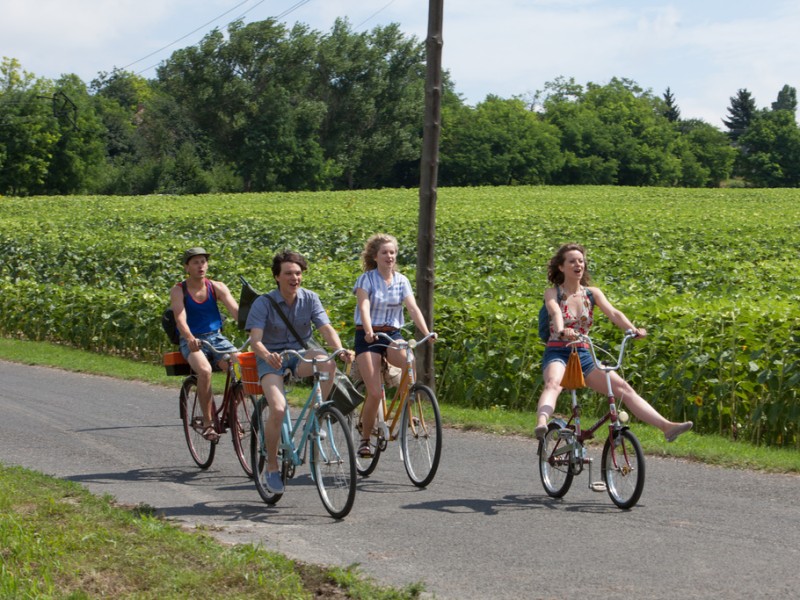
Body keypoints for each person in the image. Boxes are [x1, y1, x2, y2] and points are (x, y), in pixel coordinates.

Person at [534, 243, 693, 443]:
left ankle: (667, 427)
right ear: (561, 267)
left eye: (581, 261)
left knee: (623, 389)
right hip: (558, 351)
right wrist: (561, 330)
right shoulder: (553, 293)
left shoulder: (592, 294)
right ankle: (542, 422)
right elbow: (555, 312)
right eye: (572, 261)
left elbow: (614, 313)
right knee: (553, 383)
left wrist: (632, 330)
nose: (578, 265)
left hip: (583, 353)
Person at [246, 251, 352, 494]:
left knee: (327, 362)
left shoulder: (310, 299)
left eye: (298, 273)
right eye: (288, 274)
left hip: (299, 355)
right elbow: (255, 341)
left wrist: (340, 349)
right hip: (271, 360)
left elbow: (325, 328)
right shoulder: (263, 303)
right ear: (276, 277)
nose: (294, 278)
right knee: (279, 408)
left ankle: (318, 415)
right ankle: (272, 467)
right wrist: (266, 355)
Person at [353, 233, 436, 458]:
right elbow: (364, 306)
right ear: (375, 256)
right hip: (368, 336)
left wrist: (427, 333)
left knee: (409, 360)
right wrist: (369, 330)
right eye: (384, 253)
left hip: (392, 334)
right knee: (374, 392)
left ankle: (408, 406)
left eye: (392, 252)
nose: (389, 256)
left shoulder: (401, 280)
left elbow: (412, 308)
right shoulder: (366, 279)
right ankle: (365, 440)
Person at [171, 247, 240, 442]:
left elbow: (235, 310)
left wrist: (253, 328)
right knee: (204, 371)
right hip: (192, 340)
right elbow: (180, 318)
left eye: (203, 261)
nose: (201, 266)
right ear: (187, 267)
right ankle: (209, 424)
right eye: (195, 262)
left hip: (216, 338)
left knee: (241, 366)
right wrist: (189, 337)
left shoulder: (217, 286)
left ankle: (231, 414)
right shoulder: (179, 290)